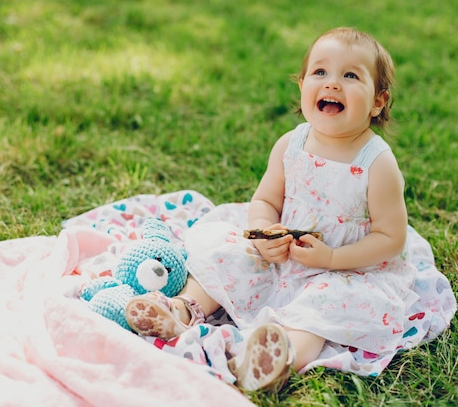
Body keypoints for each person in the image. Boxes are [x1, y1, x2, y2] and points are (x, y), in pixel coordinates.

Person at [125, 27, 423, 392]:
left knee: (326, 307)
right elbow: (265, 202)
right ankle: (184, 309)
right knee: (226, 252)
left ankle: (276, 358)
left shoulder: (376, 163)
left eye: (350, 75)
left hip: (345, 267)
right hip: (281, 256)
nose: (332, 84)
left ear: (378, 102)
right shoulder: (290, 144)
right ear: (301, 86)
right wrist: (264, 233)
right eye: (320, 72)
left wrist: (331, 258)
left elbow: (391, 238)